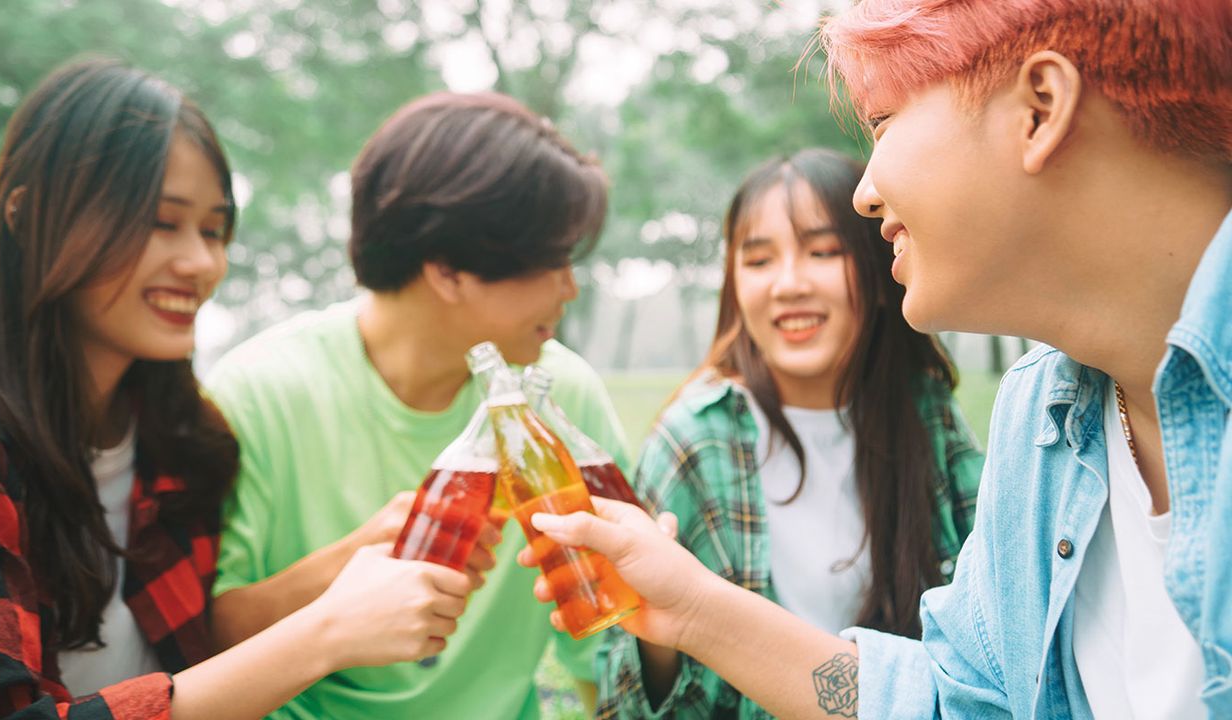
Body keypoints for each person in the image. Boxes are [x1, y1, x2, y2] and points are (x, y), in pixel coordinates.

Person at [520, 0, 1232, 718]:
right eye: (758, 258)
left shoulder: (942, 418)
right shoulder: (1044, 412)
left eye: (883, 122)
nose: (865, 193)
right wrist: (692, 611)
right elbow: (960, 702)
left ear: (1039, 109)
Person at [0, 58, 477, 720]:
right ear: (26, 218)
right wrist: (324, 636)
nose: (201, 263)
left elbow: (204, 648)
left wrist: (353, 557)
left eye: (213, 229)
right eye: (161, 222)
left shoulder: (184, 437)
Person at [203, 91, 630, 720]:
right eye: (554, 260)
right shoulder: (260, 391)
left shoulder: (560, 396)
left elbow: (606, 645)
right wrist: (347, 566)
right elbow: (203, 641)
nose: (571, 287)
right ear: (450, 270)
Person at [597, 148, 982, 717]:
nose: (789, 284)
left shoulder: (928, 416)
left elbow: (992, 632)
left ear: (881, 273)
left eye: (823, 251)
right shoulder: (694, 440)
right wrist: (660, 635)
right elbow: (620, 696)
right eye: (758, 261)